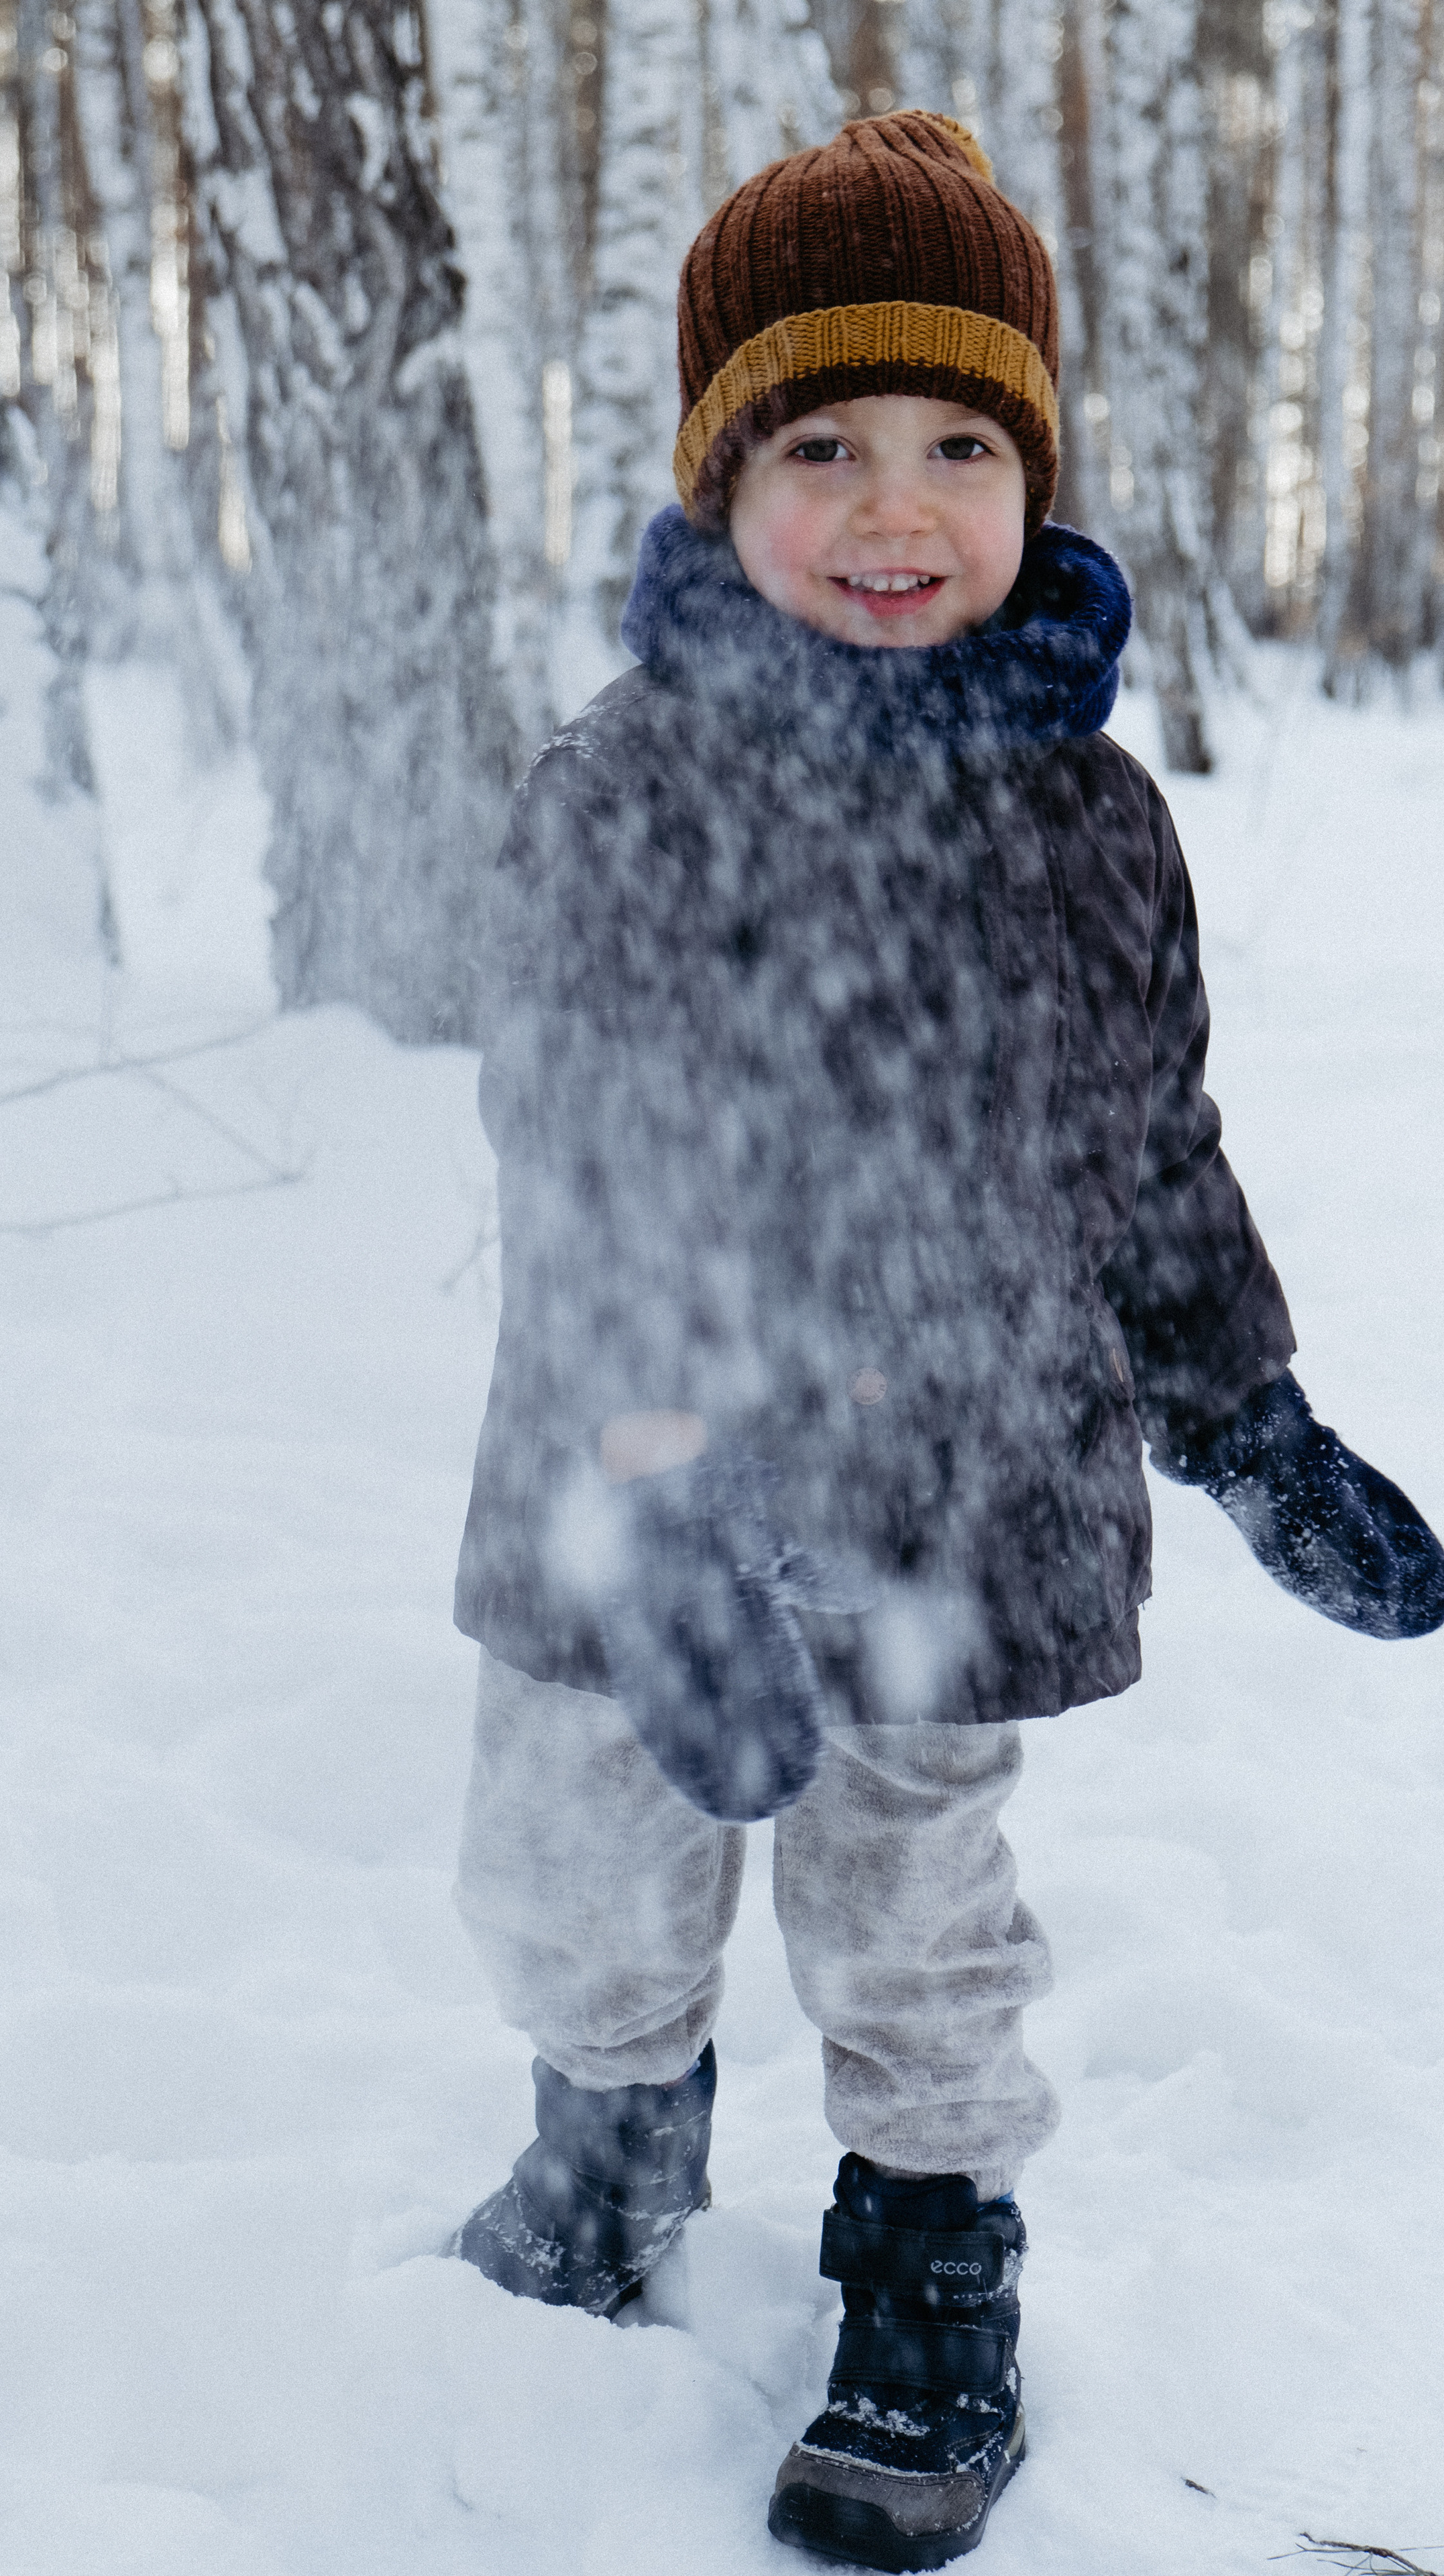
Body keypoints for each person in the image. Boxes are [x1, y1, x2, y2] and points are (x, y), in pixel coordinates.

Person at [445, 111, 1444, 2573]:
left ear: (1033, 473)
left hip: (954, 1511)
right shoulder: (629, 798)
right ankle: (612, 2129)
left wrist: (1246, 1416)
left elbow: (1152, 1156)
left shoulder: (1093, 822)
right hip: (635, 1498)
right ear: (719, 480)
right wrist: (663, 1505)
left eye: (961, 444)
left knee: (921, 1920)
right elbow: (581, 1170)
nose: (896, 506)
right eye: (822, 445)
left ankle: (926, 2260)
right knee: (583, 1871)